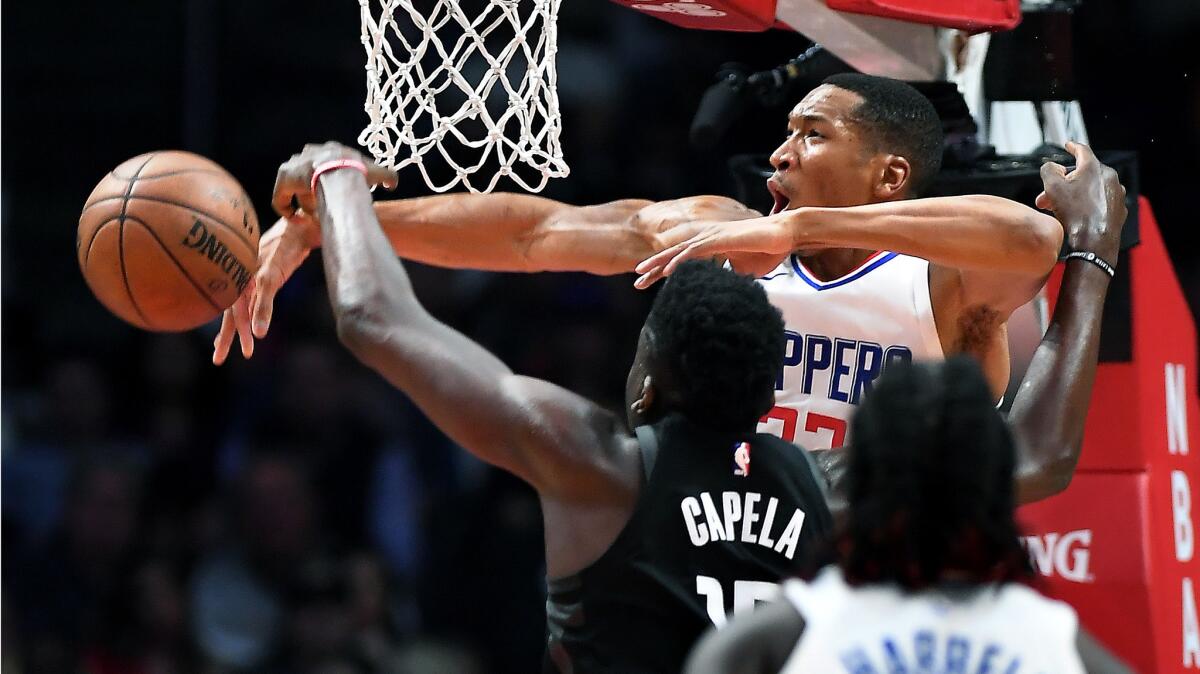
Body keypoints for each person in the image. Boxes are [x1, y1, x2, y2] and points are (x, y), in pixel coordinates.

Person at [263, 136, 1121, 672]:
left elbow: (376, 317)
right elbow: (1037, 455)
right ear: (767, 393)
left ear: (643, 382)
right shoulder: (830, 488)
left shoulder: (594, 466)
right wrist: (1093, 251)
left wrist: (337, 189)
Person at [213, 73, 1063, 452]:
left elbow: (1035, 238)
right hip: (736, 575)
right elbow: (533, 235)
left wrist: (795, 232)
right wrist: (339, 219)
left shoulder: (946, 279)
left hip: (892, 589)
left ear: (891, 175)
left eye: (812, 133)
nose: (780, 151)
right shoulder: (717, 235)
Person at [682, 149, 1132, 674]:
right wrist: (1094, 253)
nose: (781, 155)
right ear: (984, 476)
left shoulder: (780, 622)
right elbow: (1041, 457)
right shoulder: (1047, 638)